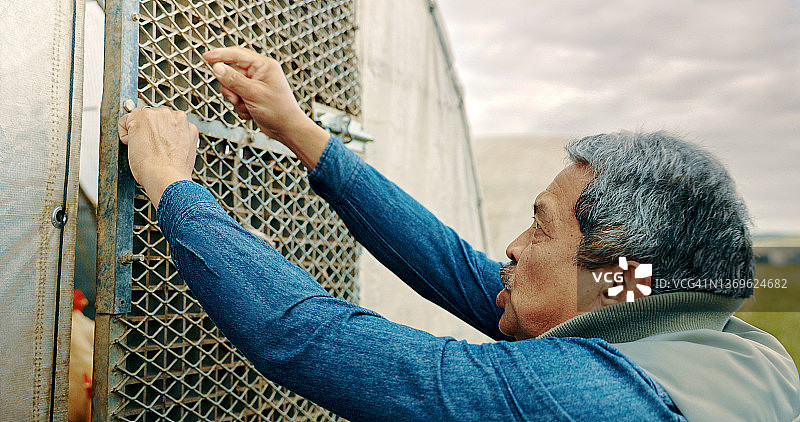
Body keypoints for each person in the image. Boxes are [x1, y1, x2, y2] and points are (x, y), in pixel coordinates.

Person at [117, 46, 800, 421]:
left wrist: (173, 183)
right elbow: (461, 268)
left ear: (611, 261)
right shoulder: (703, 335)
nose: (512, 248)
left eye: (541, 225)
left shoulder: (591, 402)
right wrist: (300, 132)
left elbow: (309, 340)